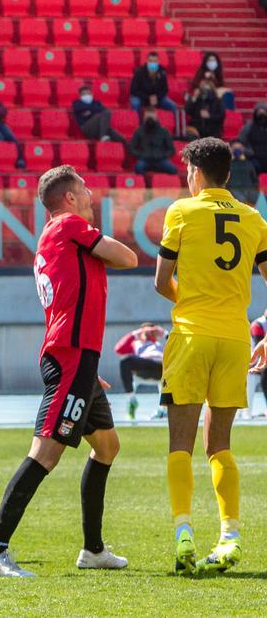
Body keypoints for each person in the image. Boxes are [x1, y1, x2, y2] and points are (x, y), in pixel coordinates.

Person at [0, 166, 138, 578]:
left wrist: (88, 370)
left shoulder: (53, 236)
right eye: (84, 189)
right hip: (71, 357)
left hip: (80, 359)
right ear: (67, 199)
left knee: (107, 447)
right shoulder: (68, 224)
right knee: (44, 454)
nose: (90, 194)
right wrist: (80, 367)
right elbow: (128, 257)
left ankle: (94, 550)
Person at [154, 137, 267, 575]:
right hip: (236, 338)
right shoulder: (253, 218)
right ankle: (230, 537)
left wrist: (190, 300)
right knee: (220, 445)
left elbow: (162, 282)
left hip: (192, 334)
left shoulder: (182, 211)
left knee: (179, 445)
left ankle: (184, 532)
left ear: (195, 174)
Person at [113, 323, 165, 419]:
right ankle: (132, 400)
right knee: (125, 362)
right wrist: (137, 333)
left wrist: (164, 333)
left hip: (161, 368)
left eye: (152, 332)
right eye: (147, 332)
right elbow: (118, 349)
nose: (149, 334)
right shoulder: (136, 344)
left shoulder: (159, 345)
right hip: (143, 366)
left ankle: (164, 410)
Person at [131, 109, 178, 184]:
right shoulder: (139, 131)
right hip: (145, 159)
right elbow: (132, 148)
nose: (150, 120)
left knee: (173, 169)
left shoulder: (164, 131)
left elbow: (171, 150)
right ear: (144, 118)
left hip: (160, 159)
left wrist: (162, 155)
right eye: (147, 117)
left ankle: (164, 184)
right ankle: (145, 185)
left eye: (152, 117)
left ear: (156, 118)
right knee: (138, 168)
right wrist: (141, 155)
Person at [237, 103, 267, 174]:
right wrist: (247, 151)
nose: (261, 114)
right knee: (251, 167)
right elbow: (240, 141)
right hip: (254, 158)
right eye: (259, 111)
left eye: (264, 111)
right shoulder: (249, 126)